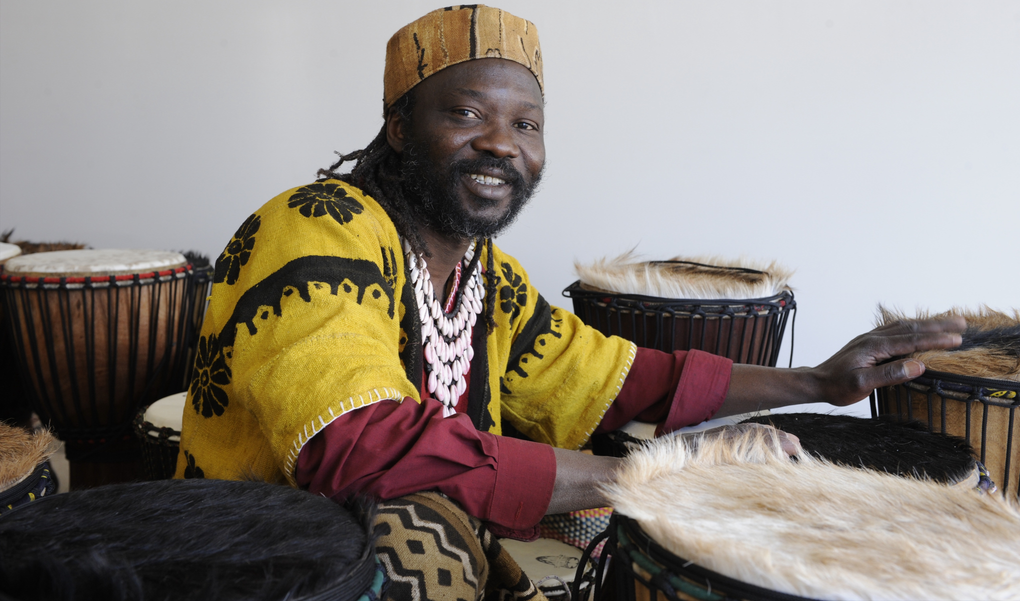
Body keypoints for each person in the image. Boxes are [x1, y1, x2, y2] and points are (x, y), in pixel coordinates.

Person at [175, 5, 964, 599]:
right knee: (420, 534)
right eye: (466, 112)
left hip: (417, 520)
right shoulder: (318, 227)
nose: (501, 142)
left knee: (617, 525)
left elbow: (622, 377)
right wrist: (664, 467)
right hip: (270, 548)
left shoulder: (494, 279)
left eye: (526, 123)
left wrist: (818, 384)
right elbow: (355, 445)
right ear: (398, 128)